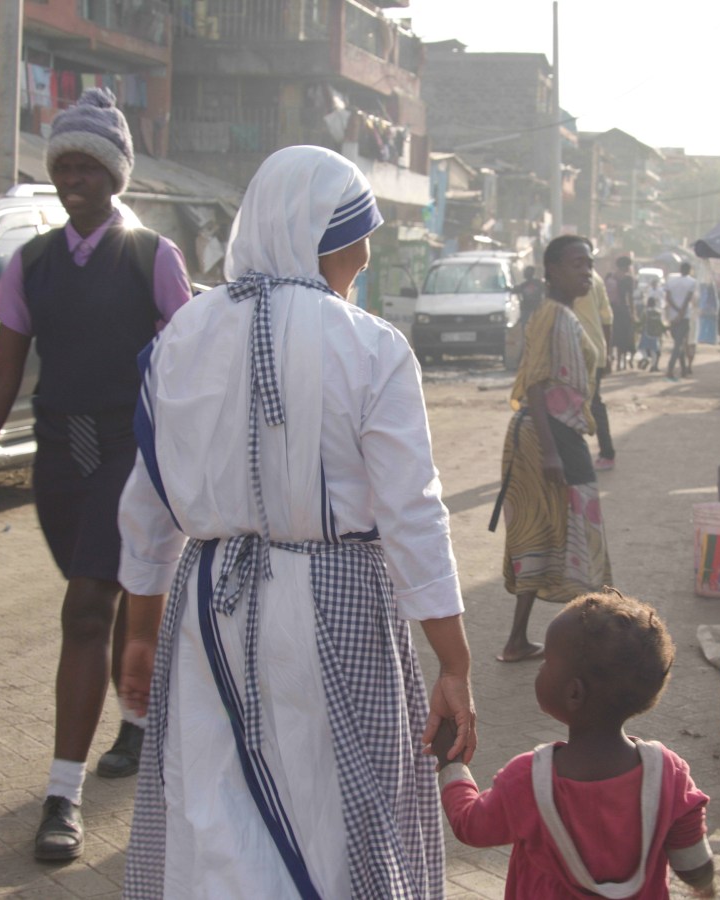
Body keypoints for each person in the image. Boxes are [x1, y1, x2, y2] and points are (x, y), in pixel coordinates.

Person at [116, 145, 476, 899]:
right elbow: (413, 514)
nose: (368, 254)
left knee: (217, 814)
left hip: (206, 603)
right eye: (362, 233)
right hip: (338, 598)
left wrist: (141, 630)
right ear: (330, 238)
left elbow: (146, 510)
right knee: (338, 815)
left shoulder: (177, 340)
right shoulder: (370, 345)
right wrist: (454, 662)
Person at [0, 88, 192, 862]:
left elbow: (188, 366)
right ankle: (139, 720)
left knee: (85, 608)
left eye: (89, 164)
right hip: (58, 462)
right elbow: (2, 374)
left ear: (116, 174)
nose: (74, 176)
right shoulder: (32, 263)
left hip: (129, 454)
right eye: (64, 164)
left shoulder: (153, 256)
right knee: (99, 597)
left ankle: (61, 797)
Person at [436, 592, 715, 899]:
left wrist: (452, 764)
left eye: (546, 662)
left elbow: (471, 825)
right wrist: (704, 884)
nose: (540, 669)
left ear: (574, 693)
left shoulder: (528, 779)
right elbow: (694, 866)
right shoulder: (668, 774)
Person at [493, 235, 614, 663]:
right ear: (552, 271)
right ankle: (583, 638)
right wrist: (550, 451)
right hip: (548, 435)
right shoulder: (551, 314)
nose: (586, 271)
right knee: (580, 526)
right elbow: (537, 384)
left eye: (590, 264)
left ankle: (518, 641)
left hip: (552, 433)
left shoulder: (563, 313)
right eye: (577, 263)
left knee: (544, 529)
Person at [573, 265, 616, 472]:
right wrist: (606, 353)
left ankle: (595, 454)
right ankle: (606, 452)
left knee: (578, 403)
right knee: (593, 403)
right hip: (596, 349)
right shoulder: (597, 279)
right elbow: (607, 318)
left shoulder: (575, 281)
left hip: (578, 351)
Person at [664, 262, 697, 380]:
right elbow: (687, 300)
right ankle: (670, 368)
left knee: (678, 343)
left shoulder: (671, 279)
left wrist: (676, 311)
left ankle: (683, 369)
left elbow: (667, 298)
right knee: (679, 343)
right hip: (684, 317)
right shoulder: (692, 282)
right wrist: (681, 313)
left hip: (673, 316)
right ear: (689, 270)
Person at [606, 256, 637, 372]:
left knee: (611, 337)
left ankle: (609, 361)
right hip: (623, 310)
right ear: (626, 266)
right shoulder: (628, 279)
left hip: (611, 310)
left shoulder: (609, 277)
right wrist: (633, 313)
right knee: (623, 338)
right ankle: (620, 363)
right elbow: (631, 298)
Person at [639, 296, 666, 371]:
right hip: (655, 335)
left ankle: (645, 358)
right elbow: (661, 324)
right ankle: (653, 366)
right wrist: (664, 330)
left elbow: (641, 322)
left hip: (646, 333)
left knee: (642, 348)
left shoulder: (645, 312)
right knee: (654, 350)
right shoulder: (658, 312)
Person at [696, 274, 719, 346]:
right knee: (709, 325)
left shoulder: (705, 291)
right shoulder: (712, 292)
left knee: (704, 324)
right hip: (710, 311)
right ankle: (710, 339)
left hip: (706, 310)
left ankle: (702, 338)